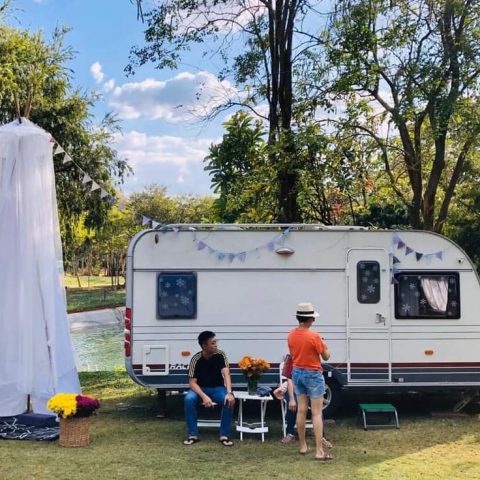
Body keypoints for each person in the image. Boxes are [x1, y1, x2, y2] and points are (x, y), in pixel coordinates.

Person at [287, 302, 332, 461]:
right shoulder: (315, 336)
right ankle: (319, 451)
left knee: (301, 411)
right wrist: (324, 344)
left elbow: (293, 354)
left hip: (297, 372)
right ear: (310, 319)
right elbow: (326, 356)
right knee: (317, 413)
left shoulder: (291, 334)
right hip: (312, 374)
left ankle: (303, 446)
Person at [183, 330, 236, 446]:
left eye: (216, 342)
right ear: (204, 346)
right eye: (213, 343)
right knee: (188, 399)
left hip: (217, 388)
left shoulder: (220, 355)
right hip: (200, 389)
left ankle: (224, 435)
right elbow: (192, 383)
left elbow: (226, 374)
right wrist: (204, 396)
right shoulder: (196, 359)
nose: (216, 345)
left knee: (228, 400)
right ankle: (193, 435)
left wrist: (229, 392)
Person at [274, 354, 332, 448]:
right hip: (294, 388)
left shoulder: (311, 358)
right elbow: (289, 380)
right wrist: (292, 399)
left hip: (310, 387)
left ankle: (321, 437)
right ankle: (290, 433)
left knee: (317, 410)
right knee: (293, 404)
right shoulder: (291, 358)